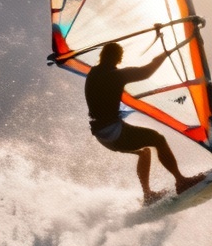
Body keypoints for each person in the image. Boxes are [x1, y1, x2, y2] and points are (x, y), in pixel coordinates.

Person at [85, 41, 205, 204]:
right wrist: (166, 52)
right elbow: (147, 72)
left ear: (102, 56)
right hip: (114, 132)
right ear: (119, 58)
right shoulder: (117, 75)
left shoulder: (93, 73)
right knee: (158, 139)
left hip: (102, 135)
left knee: (144, 151)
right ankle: (181, 181)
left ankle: (148, 194)